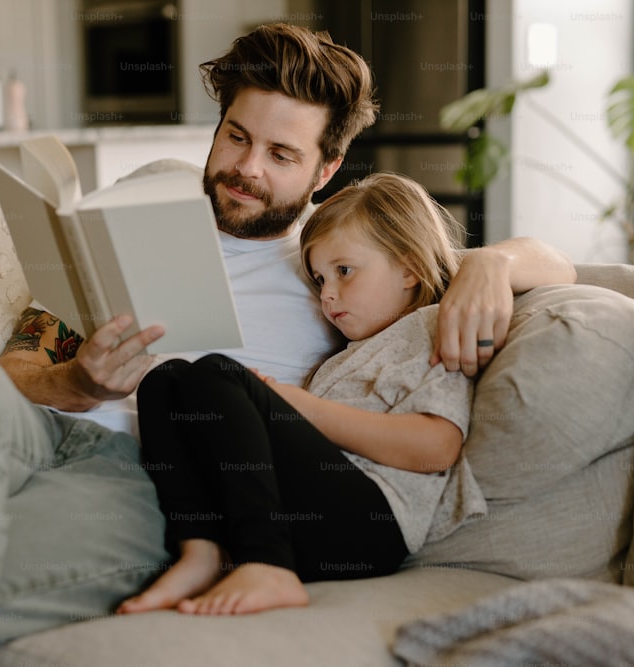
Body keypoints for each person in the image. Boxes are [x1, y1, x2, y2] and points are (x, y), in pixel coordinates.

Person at [0, 23, 576, 665]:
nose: (247, 168)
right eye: (238, 137)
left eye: (282, 155)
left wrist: (493, 262)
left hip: (147, 475)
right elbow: (20, 365)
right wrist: (75, 382)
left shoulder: (336, 269)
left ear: (327, 168)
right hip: (37, 427)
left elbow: (551, 266)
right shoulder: (137, 217)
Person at [117, 173, 483, 616]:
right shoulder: (343, 354)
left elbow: (437, 448)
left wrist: (301, 405)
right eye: (319, 279)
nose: (328, 295)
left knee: (217, 372)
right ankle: (201, 550)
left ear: (408, 267)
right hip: (312, 517)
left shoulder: (433, 327)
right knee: (166, 379)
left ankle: (266, 561)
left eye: (344, 272)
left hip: (371, 524)